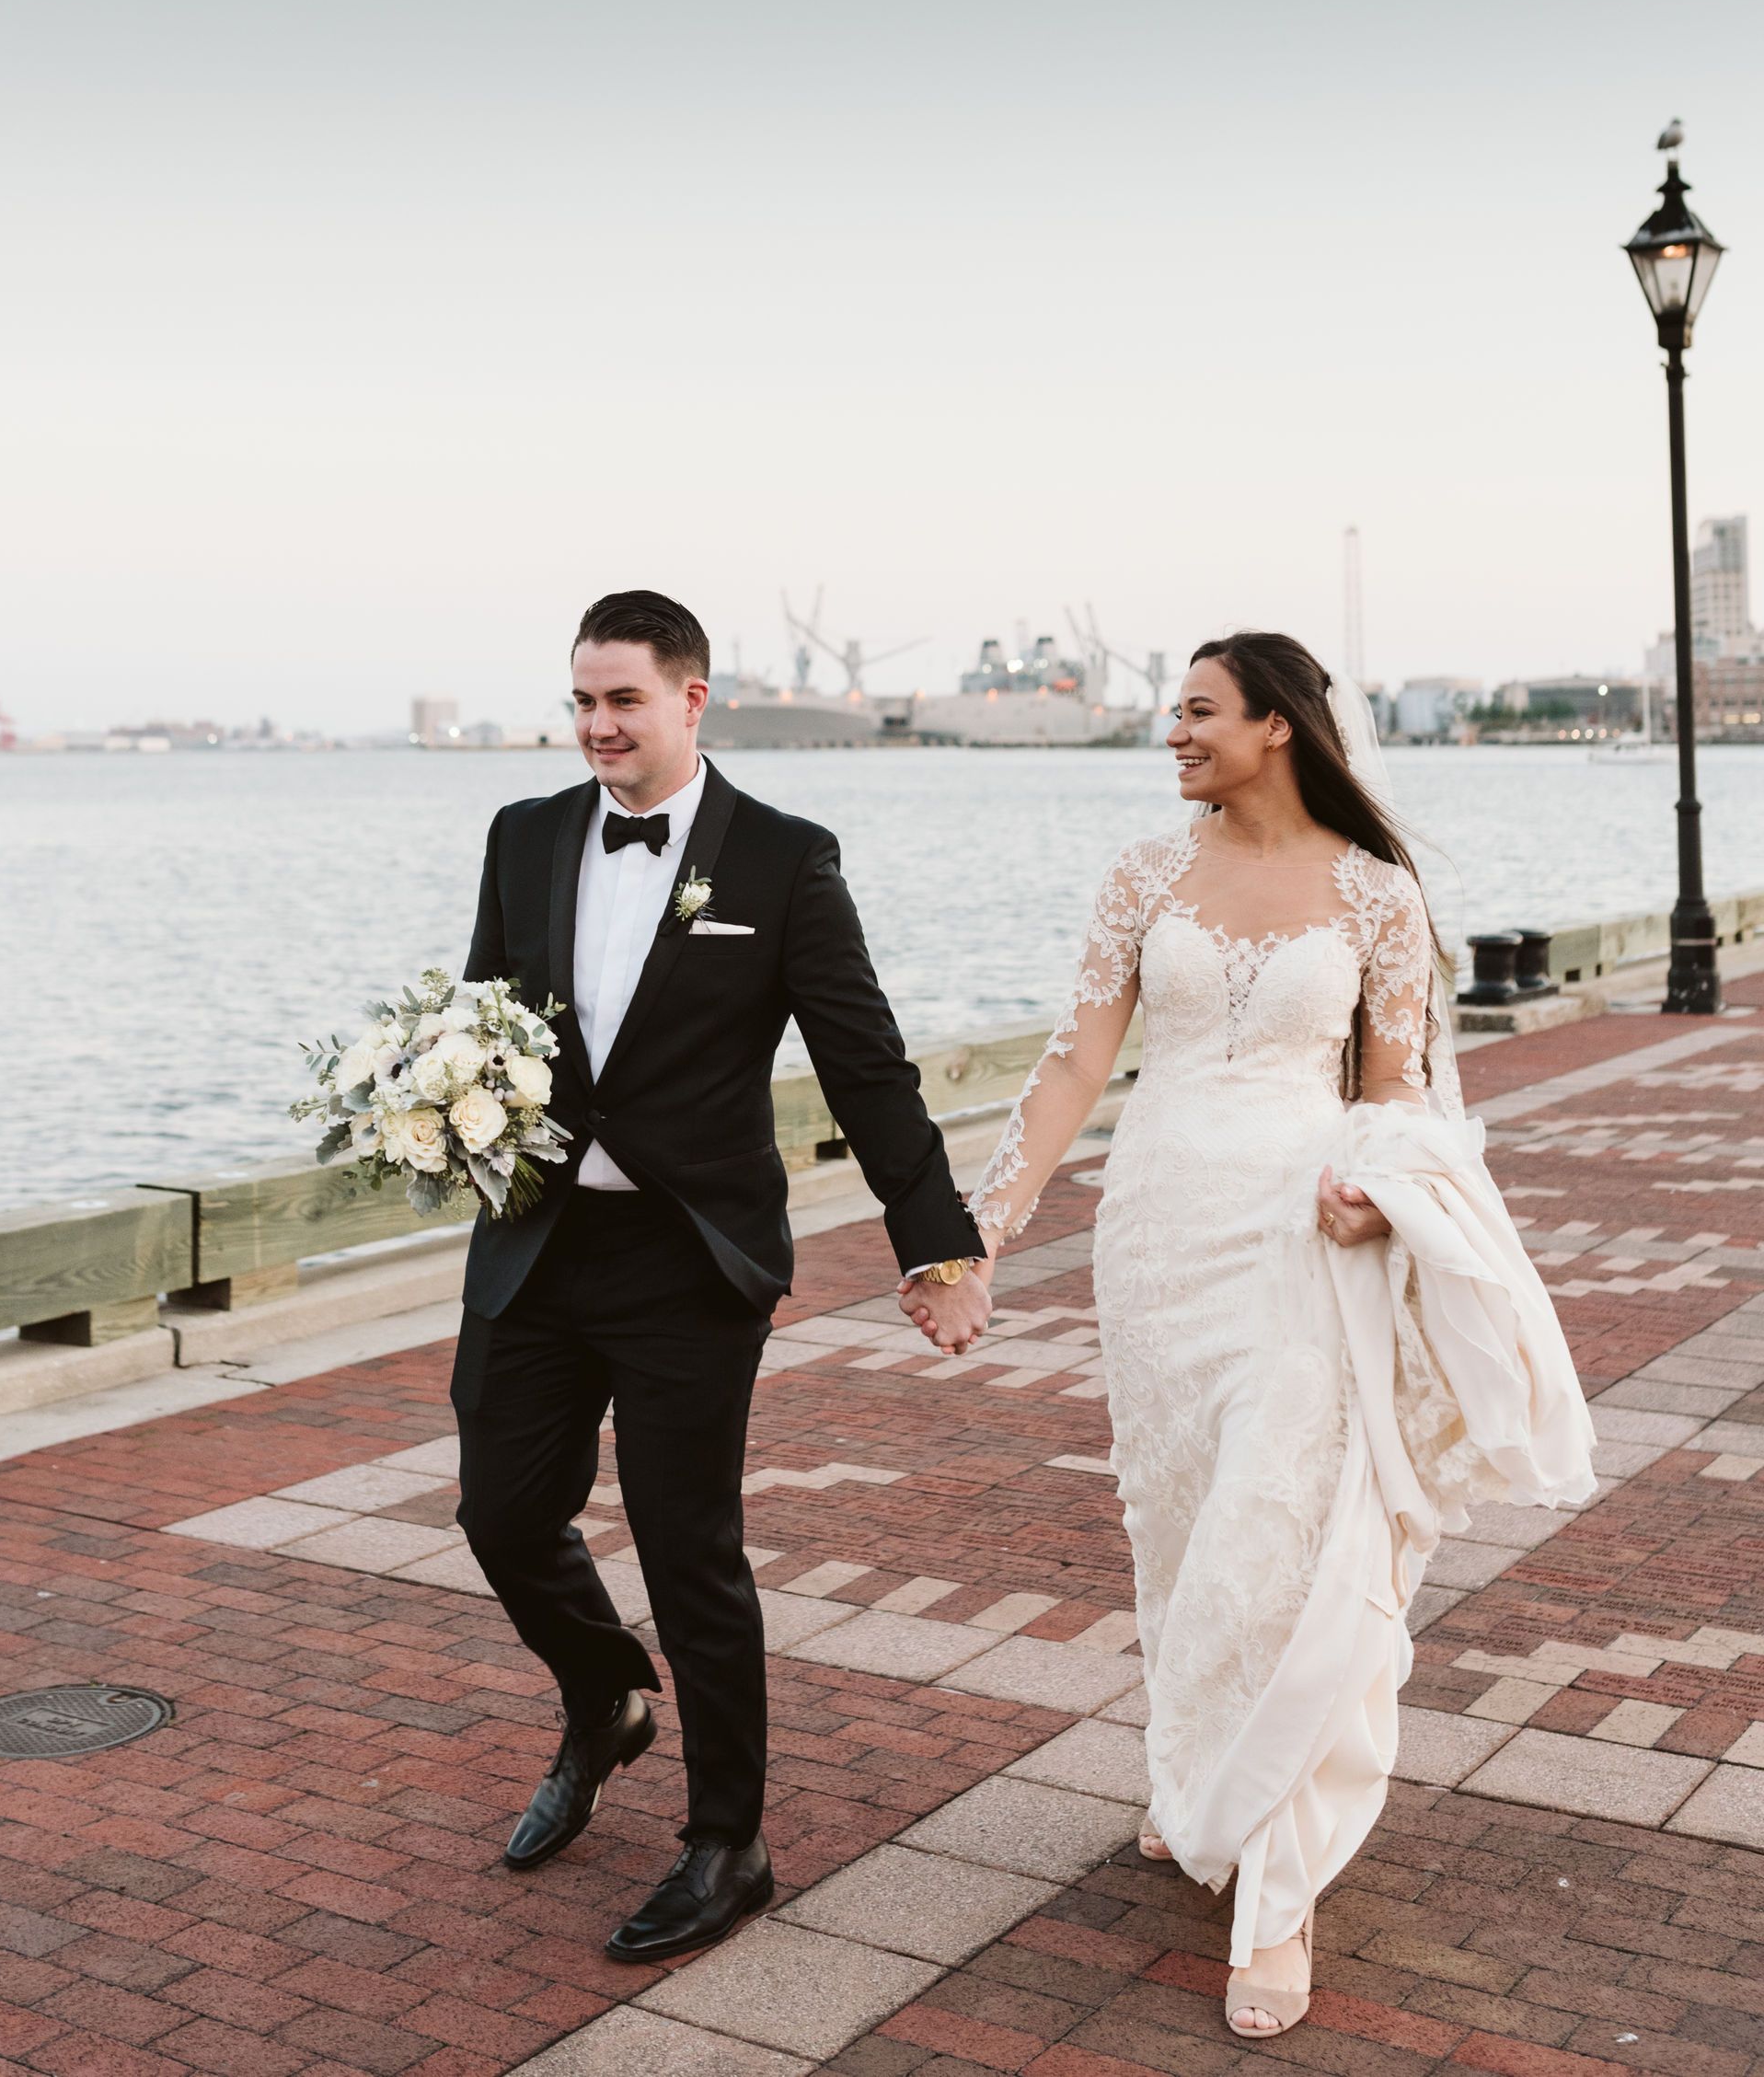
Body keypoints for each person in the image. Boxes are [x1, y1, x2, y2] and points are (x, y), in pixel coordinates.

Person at [916, 633, 1594, 2041]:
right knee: (1178, 1527)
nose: (1173, 735)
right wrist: (973, 1233)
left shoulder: (1378, 896)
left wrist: (1375, 1198)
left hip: (1298, 1235)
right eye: (1174, 712)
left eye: (1198, 713)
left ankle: (1276, 1895)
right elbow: (1074, 1064)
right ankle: (1199, 1775)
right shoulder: (1144, 876)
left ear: (1278, 726)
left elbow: (1399, 1088)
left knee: (1282, 1539)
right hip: (1156, 1234)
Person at [452, 588, 991, 1961]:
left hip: (692, 1259)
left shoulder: (784, 862)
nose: (596, 725)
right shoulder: (522, 841)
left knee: (692, 1552)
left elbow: (867, 1063)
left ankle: (726, 1843)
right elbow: (481, 1028)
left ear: (696, 700)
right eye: (581, 699)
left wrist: (932, 1241)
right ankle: (605, 1691)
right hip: (536, 1241)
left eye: (623, 699)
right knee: (502, 1513)